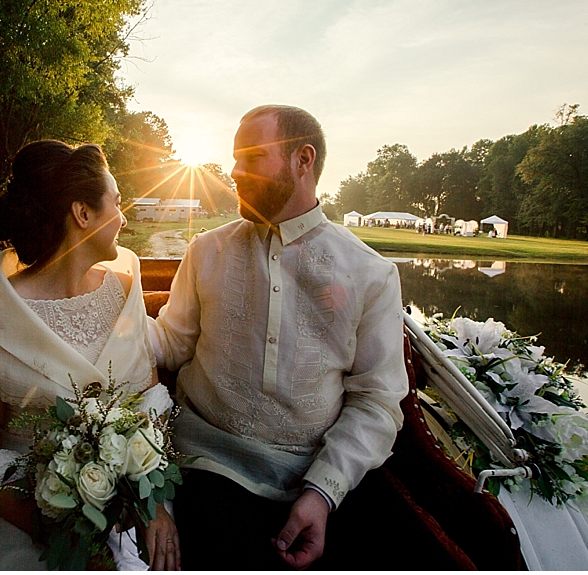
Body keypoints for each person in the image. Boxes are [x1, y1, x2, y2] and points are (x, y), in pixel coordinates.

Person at [149, 105, 408, 570]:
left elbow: (377, 401)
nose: (234, 172)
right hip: (207, 461)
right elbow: (170, 344)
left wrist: (322, 492)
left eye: (251, 158)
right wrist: (102, 312)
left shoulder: (372, 274)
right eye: (234, 159)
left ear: (302, 160)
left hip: (320, 472)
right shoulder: (205, 251)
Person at [0, 141, 180, 570]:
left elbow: (150, 400)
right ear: (82, 214)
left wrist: (154, 503)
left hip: (130, 501)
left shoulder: (123, 289)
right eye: (117, 204)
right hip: (28, 520)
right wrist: (65, 531)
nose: (123, 218)